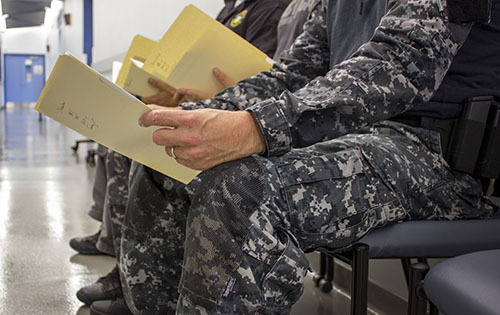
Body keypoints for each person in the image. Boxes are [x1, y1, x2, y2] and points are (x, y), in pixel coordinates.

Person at [115, 0, 500, 314]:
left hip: (434, 155)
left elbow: (396, 70)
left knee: (242, 189)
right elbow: (291, 75)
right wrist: (196, 118)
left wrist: (254, 127)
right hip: (357, 136)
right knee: (168, 159)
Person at [77, 0, 290, 314]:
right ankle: (133, 276)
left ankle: (149, 284)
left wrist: (214, 99)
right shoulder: (232, 10)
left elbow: (269, 81)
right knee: (132, 140)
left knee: (174, 156)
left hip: (250, 120)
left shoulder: (272, 8)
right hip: (221, 106)